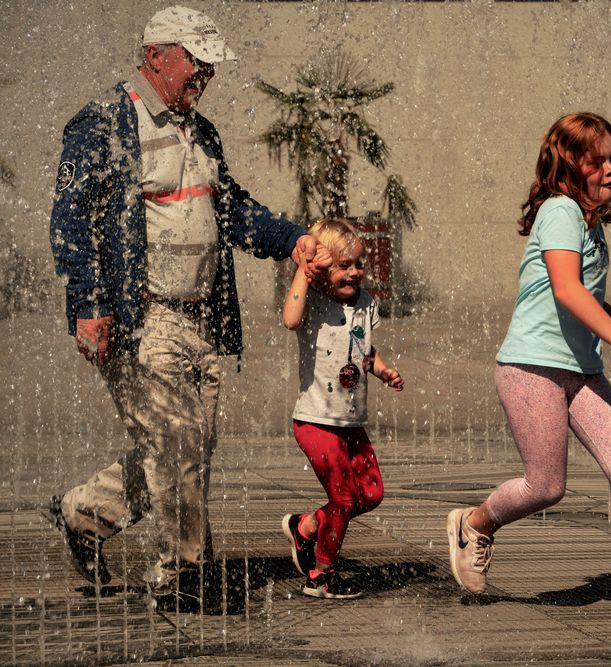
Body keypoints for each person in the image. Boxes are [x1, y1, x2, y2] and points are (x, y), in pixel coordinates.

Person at [45, 5, 320, 608]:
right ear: (156, 56)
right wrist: (90, 303)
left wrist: (291, 239)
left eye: (210, 65)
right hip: (142, 317)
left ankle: (83, 514)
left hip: (204, 317)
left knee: (182, 448)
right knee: (179, 440)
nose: (206, 76)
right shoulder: (100, 125)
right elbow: (69, 224)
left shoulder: (202, 131)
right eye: (197, 62)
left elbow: (234, 211)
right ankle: (182, 576)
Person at [446, 113, 611, 617]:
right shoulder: (561, 210)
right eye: (599, 159)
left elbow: (566, 291)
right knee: (545, 486)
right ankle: (474, 524)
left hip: (580, 369)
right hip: (531, 368)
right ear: (570, 164)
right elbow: (565, 289)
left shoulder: (588, 222)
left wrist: (606, 313)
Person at [280, 218, 404, 599]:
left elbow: (364, 348)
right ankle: (320, 575)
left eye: (358, 264)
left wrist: (381, 370)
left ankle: (306, 527)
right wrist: (304, 271)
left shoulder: (366, 303)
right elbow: (290, 319)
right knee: (344, 499)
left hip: (351, 422)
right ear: (322, 269)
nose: (354, 273)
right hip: (317, 421)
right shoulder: (313, 300)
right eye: (343, 265)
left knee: (371, 494)